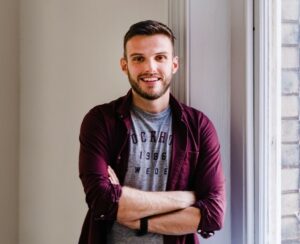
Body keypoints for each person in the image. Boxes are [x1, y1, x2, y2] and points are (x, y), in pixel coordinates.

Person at [78, 20, 225, 244]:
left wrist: (138, 219)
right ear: (124, 65)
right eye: (138, 58)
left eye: (160, 57)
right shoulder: (100, 122)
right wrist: (186, 198)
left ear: (174, 64)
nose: (150, 68)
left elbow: (213, 214)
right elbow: (101, 201)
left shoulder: (198, 127)